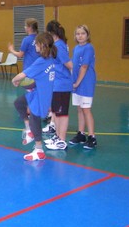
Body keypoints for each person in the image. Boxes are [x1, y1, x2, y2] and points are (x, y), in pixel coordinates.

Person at [12, 33, 56, 161]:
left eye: (36, 43)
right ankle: (29, 131)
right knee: (19, 103)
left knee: (35, 119)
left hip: (41, 95)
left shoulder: (41, 61)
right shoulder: (50, 59)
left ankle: (39, 150)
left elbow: (23, 75)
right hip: (38, 92)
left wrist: (14, 80)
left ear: (42, 45)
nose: (35, 45)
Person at [42, 21, 73, 150]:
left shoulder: (59, 46)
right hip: (57, 84)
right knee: (57, 112)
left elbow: (70, 65)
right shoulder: (57, 45)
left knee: (62, 113)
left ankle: (62, 140)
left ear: (50, 33)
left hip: (62, 84)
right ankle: (58, 136)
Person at [69, 25, 97, 149]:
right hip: (76, 83)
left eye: (83, 33)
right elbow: (73, 65)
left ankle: (92, 137)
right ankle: (81, 134)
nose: (80, 36)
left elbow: (84, 67)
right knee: (79, 108)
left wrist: (77, 83)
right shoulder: (75, 48)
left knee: (86, 109)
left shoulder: (89, 48)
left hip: (85, 83)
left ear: (87, 35)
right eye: (78, 34)